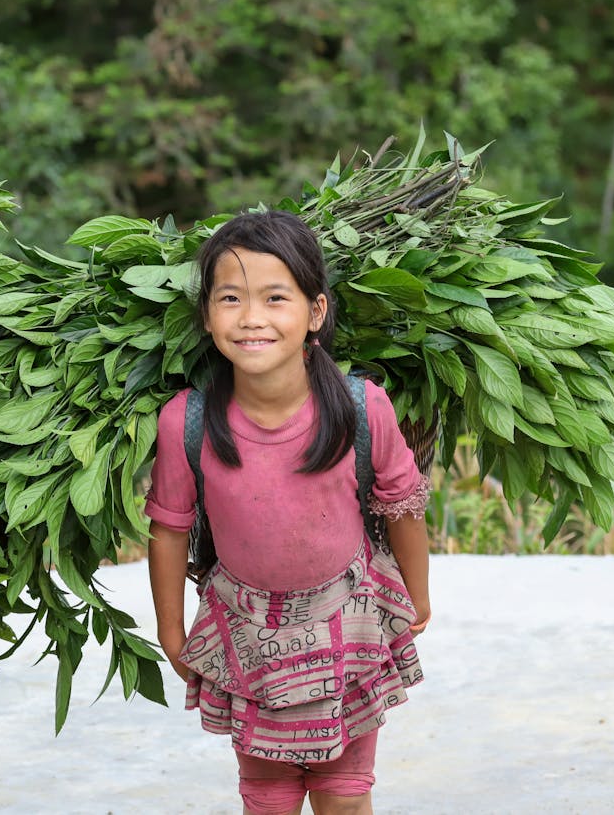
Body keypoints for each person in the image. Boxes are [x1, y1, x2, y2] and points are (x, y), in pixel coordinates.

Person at [145, 210, 430, 815]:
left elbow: (403, 505)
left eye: (276, 298)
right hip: (247, 631)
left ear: (316, 313)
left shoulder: (361, 408)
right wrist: (170, 627)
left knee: (344, 796)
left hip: (348, 620)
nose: (252, 318)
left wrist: (418, 595)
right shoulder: (187, 422)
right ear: (207, 315)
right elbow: (168, 529)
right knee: (267, 798)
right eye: (230, 298)